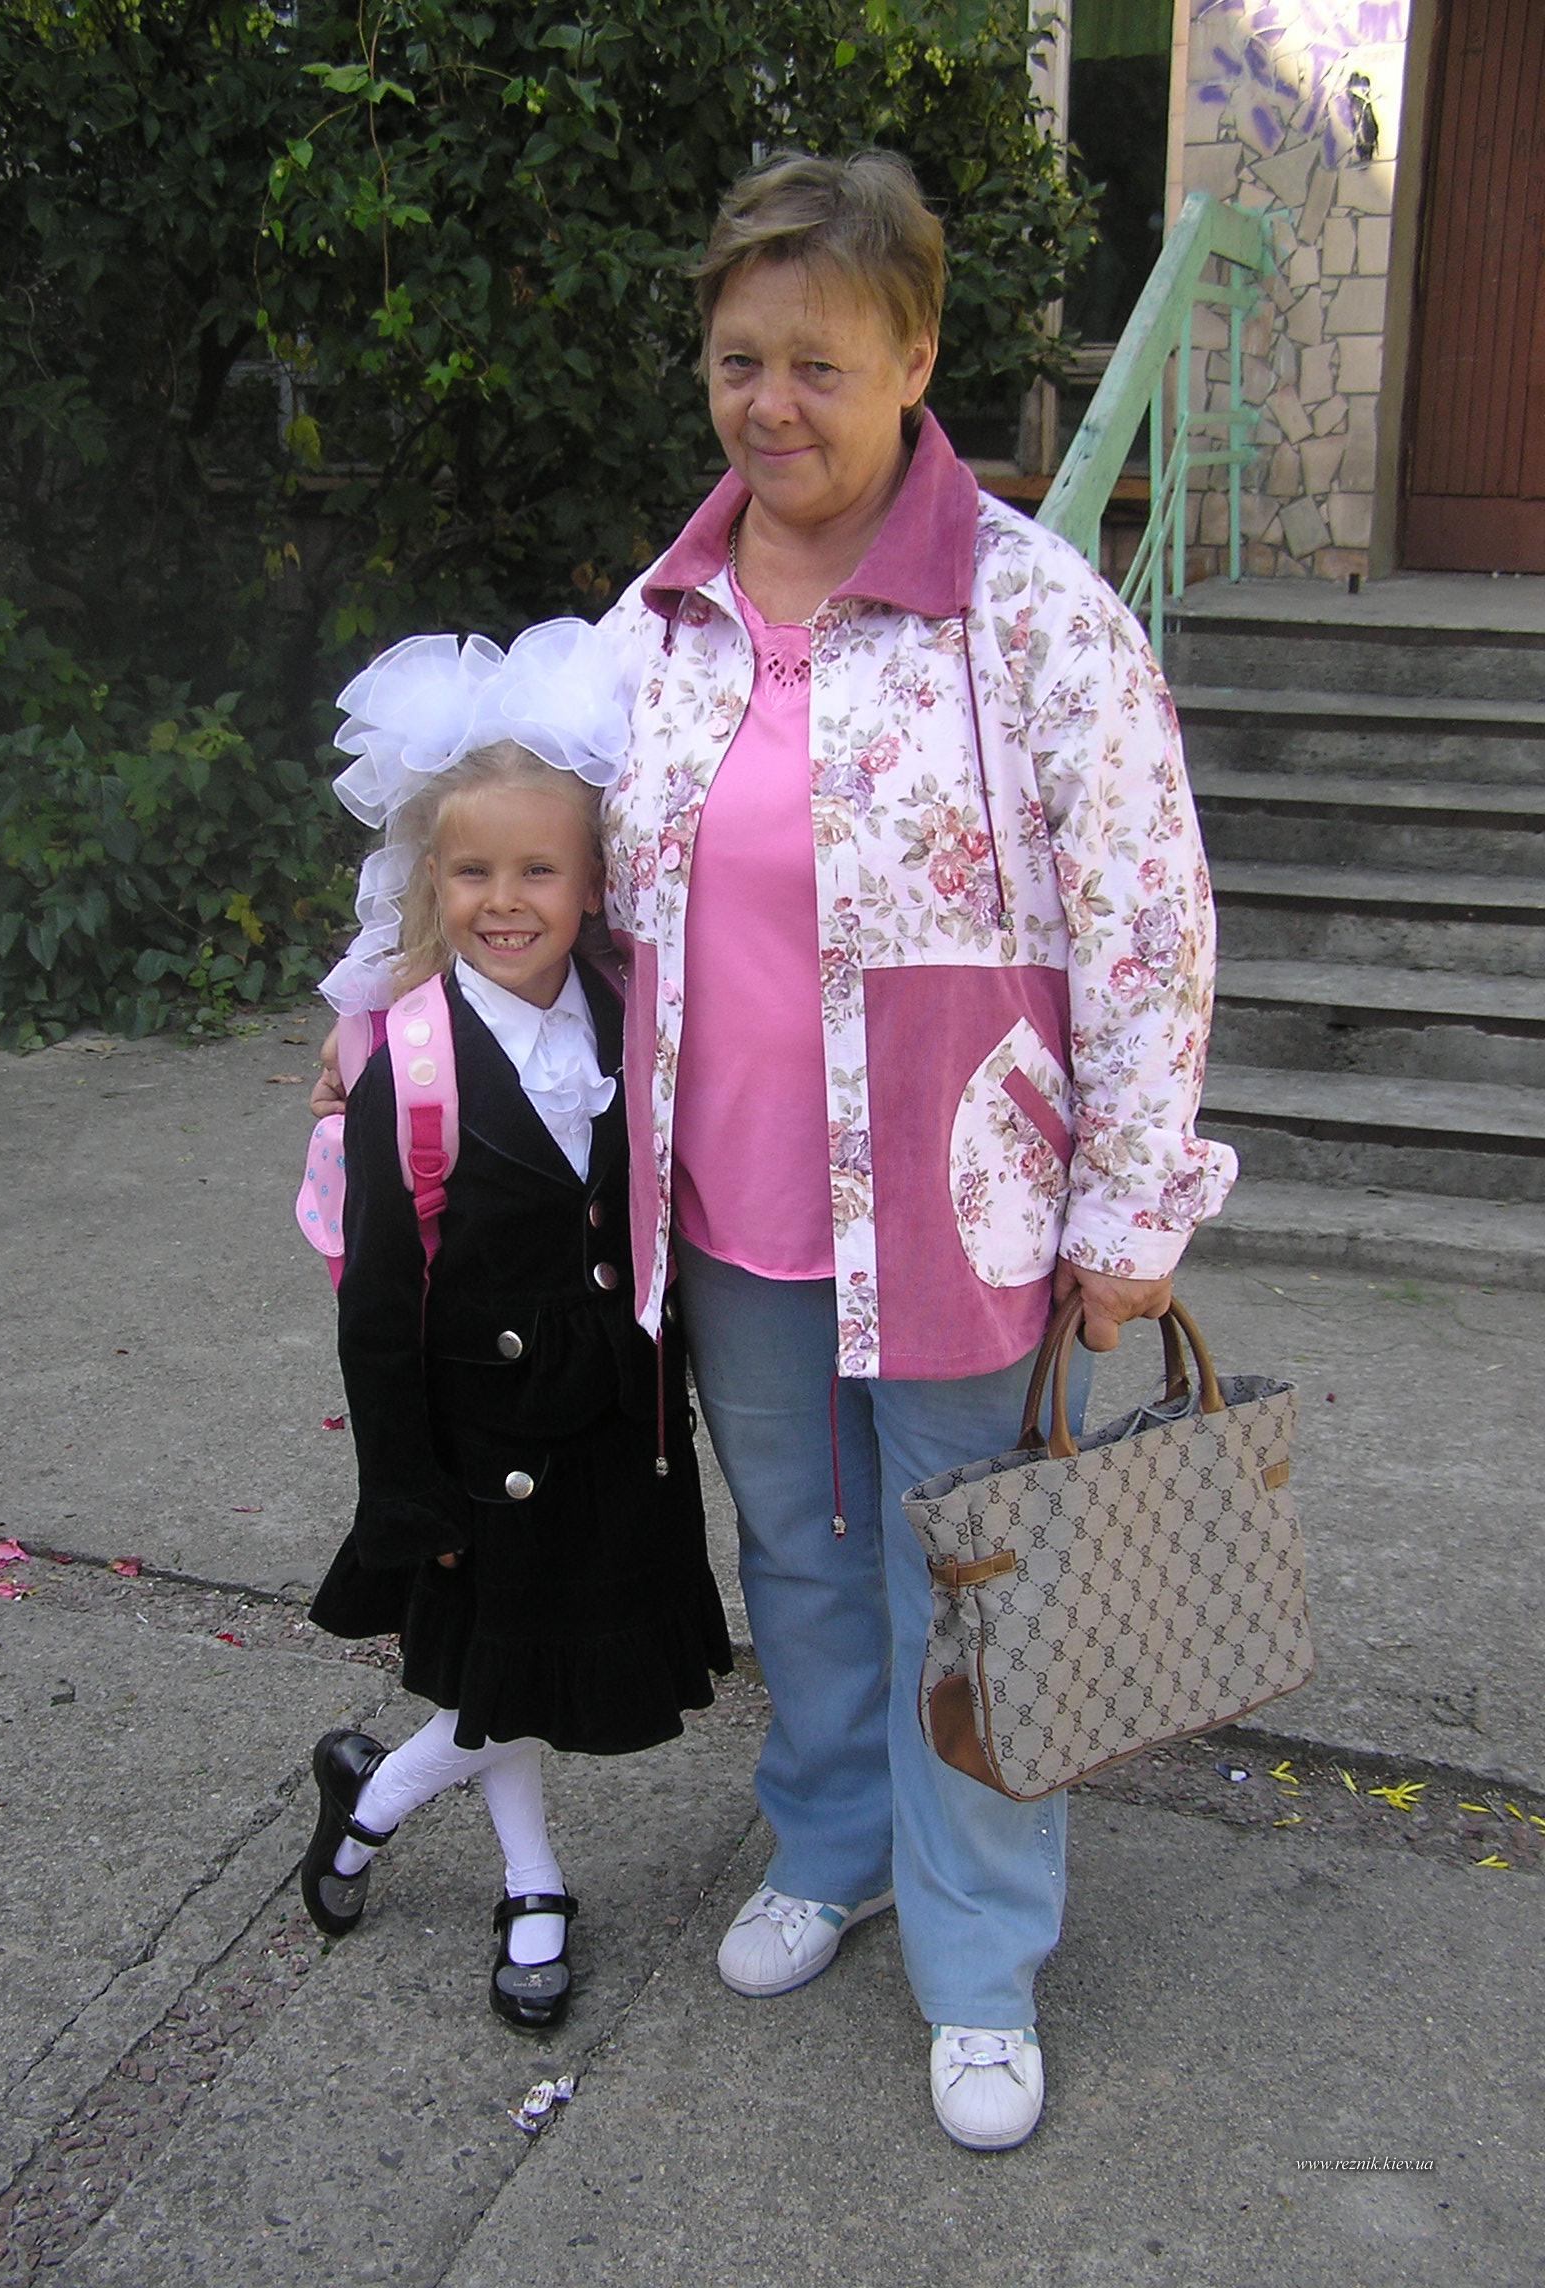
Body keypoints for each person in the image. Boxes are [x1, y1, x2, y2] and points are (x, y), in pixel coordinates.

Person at [591, 150, 1238, 2148]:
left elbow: (1146, 918)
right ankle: (834, 1840)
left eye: (821, 363)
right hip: (735, 1212)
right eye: (740, 360)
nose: (772, 404)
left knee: (975, 1579)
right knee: (798, 1555)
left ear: (916, 358)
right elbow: (541, 862)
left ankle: (979, 1959)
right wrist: (395, 1024)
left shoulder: (1027, 612)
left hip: (968, 1213)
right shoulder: (665, 613)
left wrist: (1134, 1207)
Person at [297, 620, 732, 2032]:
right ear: (431, 881)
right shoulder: (406, 1072)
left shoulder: (624, 1016)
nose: (504, 900)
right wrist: (401, 1488)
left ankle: (445, 1837)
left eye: (538, 871)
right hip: (482, 1444)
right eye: (472, 872)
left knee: (524, 1666)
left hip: (601, 1418)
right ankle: (451, 1843)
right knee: (506, 1677)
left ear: (591, 882)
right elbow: (377, 1311)